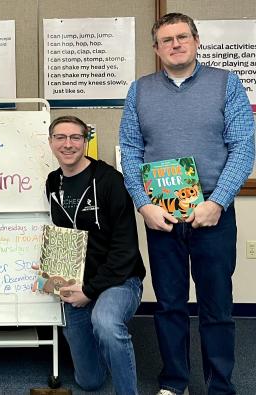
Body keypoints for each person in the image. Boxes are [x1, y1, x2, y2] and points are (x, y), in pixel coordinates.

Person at [119, 13, 255, 395]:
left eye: (182, 37)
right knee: (170, 304)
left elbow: (243, 147)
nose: (175, 44)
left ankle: (220, 386)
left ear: (196, 41)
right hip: (161, 215)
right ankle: (174, 381)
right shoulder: (139, 90)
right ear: (156, 49)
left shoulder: (227, 84)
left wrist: (219, 202)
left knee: (216, 306)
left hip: (211, 212)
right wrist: (144, 204)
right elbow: (130, 150)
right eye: (166, 40)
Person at [41, 115, 146, 395]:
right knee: (89, 381)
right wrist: (55, 277)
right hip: (78, 283)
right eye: (60, 137)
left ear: (86, 141)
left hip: (119, 280)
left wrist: (91, 290)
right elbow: (63, 238)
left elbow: (125, 250)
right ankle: (101, 343)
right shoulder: (53, 183)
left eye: (75, 137)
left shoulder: (111, 181)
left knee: (106, 323)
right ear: (50, 142)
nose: (68, 144)